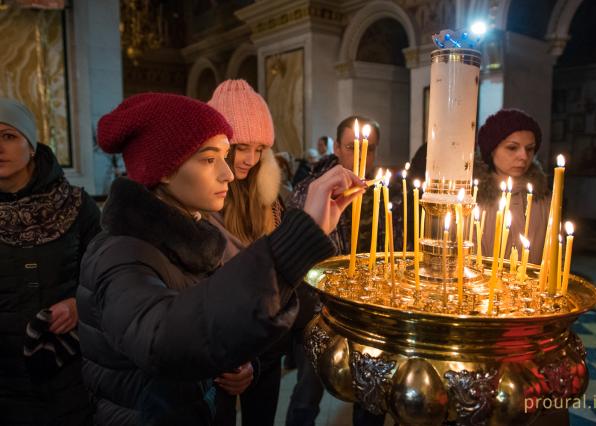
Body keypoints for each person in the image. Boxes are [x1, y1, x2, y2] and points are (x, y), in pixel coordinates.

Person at [76, 93, 363, 425]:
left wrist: (241, 364)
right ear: (165, 169)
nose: (228, 173)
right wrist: (293, 242)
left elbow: (212, 316)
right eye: (209, 159)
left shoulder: (192, 241)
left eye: (226, 156)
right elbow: (164, 339)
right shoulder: (121, 253)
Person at [0, 98, 101, 425]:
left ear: (31, 145)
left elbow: (106, 277)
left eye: (8, 136)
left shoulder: (75, 206)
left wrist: (77, 304)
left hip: (70, 370)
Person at [286, 116, 388, 426]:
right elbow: (296, 249)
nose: (361, 155)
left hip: (372, 312)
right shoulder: (312, 188)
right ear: (337, 147)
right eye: (351, 146)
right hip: (323, 311)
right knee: (307, 392)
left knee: (371, 395)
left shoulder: (385, 191)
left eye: (369, 149)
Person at [206, 79, 287, 425]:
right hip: (215, 352)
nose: (251, 160)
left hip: (265, 350)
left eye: (259, 149)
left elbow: (280, 286)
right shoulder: (204, 201)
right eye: (241, 148)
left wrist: (256, 361)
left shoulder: (272, 204)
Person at [474, 109, 551, 264]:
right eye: (512, 147)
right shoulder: (472, 198)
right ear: (492, 150)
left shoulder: (544, 198)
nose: (523, 156)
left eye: (530, 149)